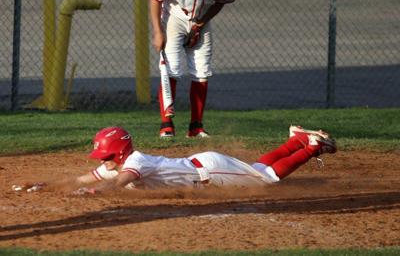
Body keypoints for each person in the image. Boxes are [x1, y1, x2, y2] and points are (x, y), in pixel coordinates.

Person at [14, 125, 335, 194]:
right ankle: (295, 140)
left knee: (265, 178)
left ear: (120, 152)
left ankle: (312, 147)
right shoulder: (119, 163)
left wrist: (98, 192)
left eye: (107, 155)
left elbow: (121, 182)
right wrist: (46, 186)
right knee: (258, 169)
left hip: (209, 170)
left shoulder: (134, 163)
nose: (104, 161)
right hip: (204, 165)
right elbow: (83, 179)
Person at [150, 0, 235, 138]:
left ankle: (195, 127)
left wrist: (201, 23)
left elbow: (221, 1)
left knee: (202, 71)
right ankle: (166, 124)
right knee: (172, 69)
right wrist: (158, 32)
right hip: (175, 16)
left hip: (201, 18)